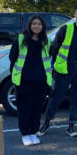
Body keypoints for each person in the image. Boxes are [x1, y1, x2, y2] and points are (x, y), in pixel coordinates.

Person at [37, 5, 77, 138]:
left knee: (76, 99)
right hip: (64, 68)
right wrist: (58, 67)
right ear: (75, 15)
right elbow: (55, 48)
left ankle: (71, 126)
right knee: (56, 97)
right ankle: (46, 123)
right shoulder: (65, 29)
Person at [9, 15, 52, 146]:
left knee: (37, 109)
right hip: (23, 81)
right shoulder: (21, 39)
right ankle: (25, 134)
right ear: (30, 25)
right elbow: (13, 57)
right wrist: (17, 78)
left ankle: (33, 132)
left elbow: (47, 59)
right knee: (24, 109)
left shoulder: (46, 41)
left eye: (39, 24)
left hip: (41, 82)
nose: (36, 26)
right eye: (34, 24)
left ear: (42, 26)